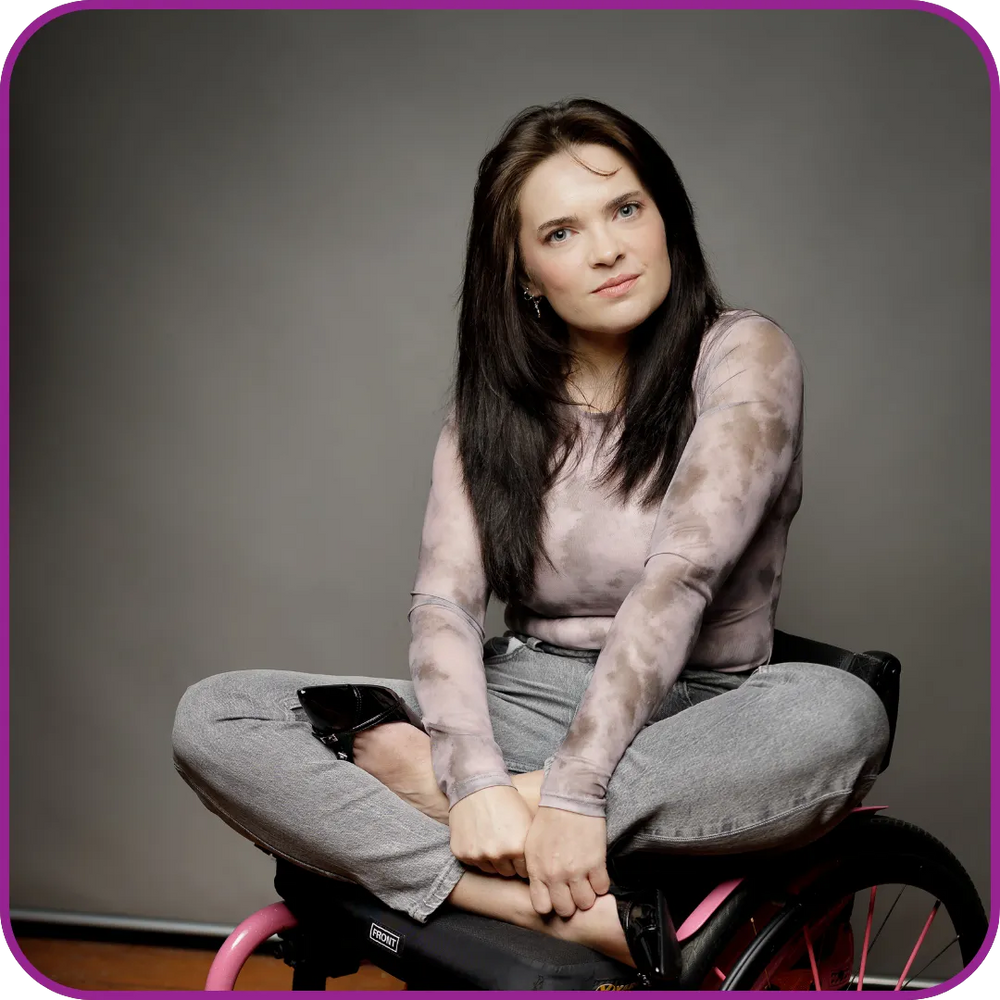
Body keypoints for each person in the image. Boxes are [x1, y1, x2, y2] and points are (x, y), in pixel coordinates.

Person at [172, 98, 890, 979]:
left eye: (626, 209)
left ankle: (443, 807)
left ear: (666, 215)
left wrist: (569, 792)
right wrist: (472, 780)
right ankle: (493, 890)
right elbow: (442, 601)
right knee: (220, 715)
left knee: (844, 715)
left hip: (701, 716)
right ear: (521, 271)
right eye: (561, 232)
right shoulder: (491, 410)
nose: (608, 248)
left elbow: (683, 576)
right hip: (528, 700)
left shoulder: (743, 353)